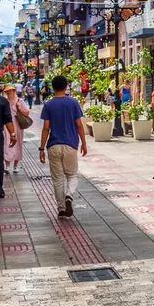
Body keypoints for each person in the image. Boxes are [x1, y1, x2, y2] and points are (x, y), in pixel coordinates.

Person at [39, 75, 87, 218]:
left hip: (53, 145)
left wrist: (41, 148)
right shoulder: (73, 103)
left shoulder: (48, 104)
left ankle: (61, 209)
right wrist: (84, 143)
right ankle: (69, 195)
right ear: (66, 87)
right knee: (72, 174)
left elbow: (46, 128)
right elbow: (79, 125)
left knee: (58, 178)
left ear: (52, 88)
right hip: (70, 144)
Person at [2, 84, 29, 174]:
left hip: (18, 125)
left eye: (11, 91)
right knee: (6, 143)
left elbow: (27, 112)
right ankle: (7, 165)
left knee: (18, 144)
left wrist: (19, 108)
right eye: (7, 91)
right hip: (6, 125)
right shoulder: (4, 102)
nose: (9, 93)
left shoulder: (19, 101)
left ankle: (16, 165)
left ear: (14, 91)